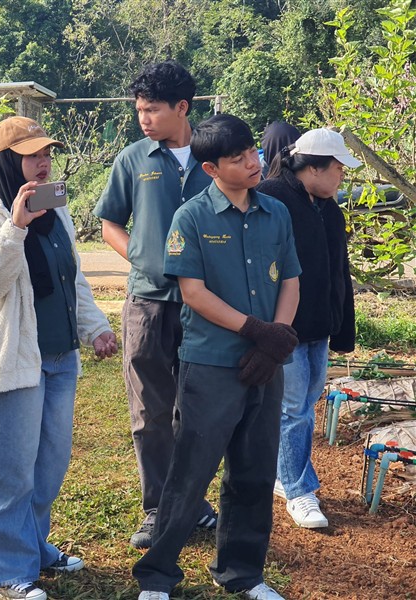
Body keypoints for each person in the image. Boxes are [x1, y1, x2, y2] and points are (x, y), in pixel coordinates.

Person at [134, 114, 301, 600]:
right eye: (238, 158)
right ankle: (157, 575)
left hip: (265, 364)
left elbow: (290, 278)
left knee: (255, 470)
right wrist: (256, 330)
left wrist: (276, 339)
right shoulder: (191, 218)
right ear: (210, 169)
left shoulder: (276, 212)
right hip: (211, 365)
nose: (252, 162)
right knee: (191, 472)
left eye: (252, 152)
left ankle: (241, 573)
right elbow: (194, 293)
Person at [0, 116, 118, 600]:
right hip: (10, 361)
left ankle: (31, 544)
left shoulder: (55, 209)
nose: (43, 162)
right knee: (7, 468)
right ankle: (3, 569)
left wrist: (95, 326)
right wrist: (14, 228)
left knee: (48, 464)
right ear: (6, 162)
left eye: (47, 152)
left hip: (59, 356)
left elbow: (73, 277)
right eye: (31, 155)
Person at [93, 60, 216, 549]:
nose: (143, 119)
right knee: (149, 411)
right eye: (139, 109)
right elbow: (109, 225)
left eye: (153, 110)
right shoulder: (132, 159)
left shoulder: (214, 158)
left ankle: (194, 503)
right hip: (147, 302)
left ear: (182, 107)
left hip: (206, 306)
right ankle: (156, 509)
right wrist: (145, 259)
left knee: (199, 409)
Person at [257, 128, 359, 529]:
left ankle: (283, 475)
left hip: (319, 326)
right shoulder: (271, 199)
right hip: (286, 327)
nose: (342, 176)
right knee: (293, 410)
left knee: (304, 406)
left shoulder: (328, 209)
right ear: (314, 167)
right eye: (338, 168)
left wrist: (342, 327)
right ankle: (299, 491)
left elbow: (339, 272)